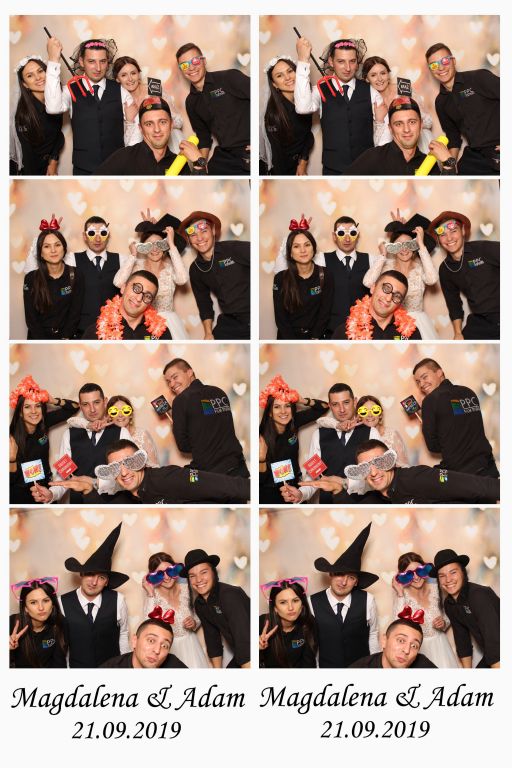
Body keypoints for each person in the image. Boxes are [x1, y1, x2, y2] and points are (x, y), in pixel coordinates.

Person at [24, 214, 132, 337]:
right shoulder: (72, 259)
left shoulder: (123, 260)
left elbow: (138, 283)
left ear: (108, 235)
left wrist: (147, 237)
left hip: (112, 330)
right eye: (92, 233)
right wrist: (48, 234)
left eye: (102, 233)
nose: (97, 239)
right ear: (84, 236)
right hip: (81, 332)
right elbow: (36, 267)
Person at [50, 439, 250, 504]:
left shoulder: (168, 478)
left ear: (142, 461)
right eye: (116, 467)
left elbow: (220, 485)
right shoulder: (127, 497)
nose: (124, 472)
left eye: (130, 462)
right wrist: (88, 489)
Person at [273, 215, 378, 337]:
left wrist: (395, 239)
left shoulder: (372, 260)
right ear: (334, 236)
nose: (347, 238)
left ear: (357, 235)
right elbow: (284, 268)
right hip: (330, 333)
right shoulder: (322, 259)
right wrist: (298, 233)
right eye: (341, 233)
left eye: (352, 233)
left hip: (361, 331)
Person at [305, 438, 500, 504]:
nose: (373, 473)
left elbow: (472, 485)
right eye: (366, 468)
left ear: (391, 461)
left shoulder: (416, 477)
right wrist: (337, 490)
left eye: (380, 462)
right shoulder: (378, 497)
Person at [44, 37, 129, 175]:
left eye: (103, 61)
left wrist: (129, 159)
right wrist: (53, 60)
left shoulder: (120, 90)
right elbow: (52, 108)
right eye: (91, 61)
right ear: (81, 62)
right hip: (83, 170)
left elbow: (134, 127)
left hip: (117, 169)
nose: (98, 68)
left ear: (108, 62)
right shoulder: (70, 89)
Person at [36, 382, 131, 504]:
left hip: (112, 505)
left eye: (96, 402)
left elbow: (130, 475)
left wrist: (94, 483)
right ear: (80, 406)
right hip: (79, 505)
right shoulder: (69, 435)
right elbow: (64, 475)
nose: (92, 409)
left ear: (105, 402)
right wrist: (52, 494)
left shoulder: (122, 432)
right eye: (86, 404)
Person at [285, 382, 379, 505]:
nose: (342, 409)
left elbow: (378, 475)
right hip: (329, 505)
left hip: (363, 505)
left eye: (346, 402)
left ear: (355, 402)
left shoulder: (371, 432)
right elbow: (314, 476)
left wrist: (344, 483)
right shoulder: (318, 435)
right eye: (335, 404)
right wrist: (301, 494)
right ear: (330, 405)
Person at [294, 36, 373, 174]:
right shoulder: (320, 89)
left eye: (352, 61)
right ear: (331, 62)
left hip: (366, 169)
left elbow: (382, 131)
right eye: (341, 61)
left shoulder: (370, 90)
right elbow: (302, 108)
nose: (348, 68)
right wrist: (303, 61)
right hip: (333, 171)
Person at [413, 358, 499, 477]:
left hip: (459, 475)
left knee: (432, 479)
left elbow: (433, 447)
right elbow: (460, 422)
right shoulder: (468, 392)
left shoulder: (430, 401)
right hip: (488, 468)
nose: (421, 384)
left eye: (425, 377)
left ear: (439, 372)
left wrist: (426, 422)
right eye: (418, 382)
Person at [60, 524, 130, 668]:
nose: (94, 582)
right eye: (90, 574)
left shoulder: (118, 600)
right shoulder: (62, 602)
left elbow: (123, 634)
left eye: (101, 577)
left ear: (106, 582)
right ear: (81, 574)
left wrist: (125, 666)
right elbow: (62, 643)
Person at [163, 358, 249, 476]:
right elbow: (210, 424)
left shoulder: (180, 401)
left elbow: (184, 447)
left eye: (175, 377)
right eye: (168, 381)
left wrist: (175, 425)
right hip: (238, 468)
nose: (172, 384)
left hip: (210, 475)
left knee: (184, 479)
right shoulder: (218, 392)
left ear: (189, 372)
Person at [311, 524, 380, 668]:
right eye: (340, 574)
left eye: (351, 577)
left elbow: (373, 634)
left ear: (356, 582)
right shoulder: (312, 602)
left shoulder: (368, 600)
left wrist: (374, 666)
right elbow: (312, 642)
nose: (343, 582)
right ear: (331, 574)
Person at [425, 43, 500, 175]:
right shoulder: (441, 102)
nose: (441, 67)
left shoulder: (478, 78)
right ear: (431, 69)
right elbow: (453, 137)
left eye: (445, 60)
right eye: (434, 65)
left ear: (453, 61)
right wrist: (450, 167)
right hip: (475, 155)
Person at [176, 42, 250, 175]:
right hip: (225, 155)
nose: (191, 67)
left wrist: (259, 143)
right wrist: (201, 166)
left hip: (250, 149)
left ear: (204, 61)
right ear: (181, 70)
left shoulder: (229, 77)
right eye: (185, 65)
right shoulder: (191, 102)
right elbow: (203, 137)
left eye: (195, 61)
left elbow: (261, 102)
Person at [363, 213, 438, 339]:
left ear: (414, 246)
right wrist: (383, 255)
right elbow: (367, 282)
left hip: (417, 323)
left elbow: (432, 279)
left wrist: (421, 244)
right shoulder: (386, 266)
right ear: (392, 247)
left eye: (409, 244)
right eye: (398, 245)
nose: (404, 249)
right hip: (391, 322)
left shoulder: (420, 268)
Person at [113, 213, 189, 339]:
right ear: (143, 247)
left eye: (159, 244)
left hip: (168, 323)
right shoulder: (136, 266)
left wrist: (171, 244)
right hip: (142, 323)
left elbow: (183, 279)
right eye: (149, 245)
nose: (155, 249)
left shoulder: (171, 269)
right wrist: (133, 255)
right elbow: (118, 282)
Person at [178, 211, 250, 339]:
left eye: (204, 231)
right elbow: (204, 304)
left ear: (213, 231)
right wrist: (208, 333)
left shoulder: (234, 249)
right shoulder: (195, 269)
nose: (199, 238)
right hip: (229, 323)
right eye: (193, 235)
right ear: (189, 240)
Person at [428, 211, 499, 340]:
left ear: (463, 231)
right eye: (443, 234)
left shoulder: (483, 249)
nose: (449, 238)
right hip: (480, 322)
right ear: (438, 239)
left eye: (453, 231)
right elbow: (453, 304)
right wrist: (458, 333)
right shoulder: (445, 269)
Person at [9, 376, 79, 504]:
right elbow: (9, 480)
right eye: (27, 407)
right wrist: (11, 459)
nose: (34, 411)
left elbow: (74, 407)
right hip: (21, 495)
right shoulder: (10, 437)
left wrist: (53, 400)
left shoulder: (43, 422)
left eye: (37, 406)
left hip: (46, 490)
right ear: (20, 412)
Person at [259, 375, 328, 504]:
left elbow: (324, 407)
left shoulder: (294, 421)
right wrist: (261, 459)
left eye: (287, 406)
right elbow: (260, 479)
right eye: (277, 407)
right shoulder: (260, 435)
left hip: (295, 487)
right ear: (269, 412)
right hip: (270, 492)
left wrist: (301, 400)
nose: (283, 411)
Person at [346, 96, 457, 175]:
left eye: (412, 122)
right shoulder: (374, 157)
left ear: (421, 125)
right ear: (390, 128)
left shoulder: (428, 162)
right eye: (398, 124)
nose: (406, 129)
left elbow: (443, 194)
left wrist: (449, 162)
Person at [97, 96, 206, 175]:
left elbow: (194, 195)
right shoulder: (124, 157)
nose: (157, 129)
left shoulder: (179, 162)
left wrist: (199, 162)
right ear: (140, 128)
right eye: (149, 124)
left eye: (162, 122)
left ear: (171, 125)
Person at [183, 549, 250, 668]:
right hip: (241, 654)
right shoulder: (199, 604)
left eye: (203, 572)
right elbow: (212, 641)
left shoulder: (230, 596)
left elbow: (244, 640)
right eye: (192, 576)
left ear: (213, 572)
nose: (198, 580)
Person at [432, 549, 499, 668]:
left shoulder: (479, 595)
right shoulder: (449, 604)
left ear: (463, 572)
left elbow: (494, 640)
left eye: (453, 572)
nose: (448, 579)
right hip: (491, 653)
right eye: (442, 576)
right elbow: (462, 641)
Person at [392, 552, 458, 667]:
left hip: (442, 647)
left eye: (419, 571)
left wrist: (443, 622)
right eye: (410, 574)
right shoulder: (403, 597)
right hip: (419, 651)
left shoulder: (436, 588)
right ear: (403, 576)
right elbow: (397, 626)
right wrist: (400, 593)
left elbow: (448, 615)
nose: (416, 577)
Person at [141, 552, 208, 668]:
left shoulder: (187, 589)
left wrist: (194, 622)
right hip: (169, 650)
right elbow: (147, 626)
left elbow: (199, 614)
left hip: (192, 646)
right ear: (153, 576)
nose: (167, 578)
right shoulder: (153, 597)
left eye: (170, 571)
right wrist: (150, 593)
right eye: (160, 574)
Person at [272, 218, 334, 339]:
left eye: (307, 245)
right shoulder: (280, 278)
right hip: (287, 339)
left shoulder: (325, 275)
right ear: (290, 252)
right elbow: (280, 318)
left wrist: (314, 337)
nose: (303, 250)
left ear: (313, 248)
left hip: (316, 338)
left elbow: (325, 313)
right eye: (296, 246)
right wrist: (293, 343)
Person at [23, 220, 84, 339]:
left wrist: (64, 339)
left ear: (64, 248)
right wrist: (43, 343)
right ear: (40, 253)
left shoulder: (76, 275)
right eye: (47, 246)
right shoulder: (31, 278)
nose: (53, 250)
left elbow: (75, 314)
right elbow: (31, 318)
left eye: (57, 245)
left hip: (67, 338)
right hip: (38, 339)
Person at [112, 55, 184, 152]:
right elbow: (124, 141)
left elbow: (179, 122)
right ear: (117, 79)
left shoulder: (153, 88)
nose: (130, 79)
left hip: (167, 144)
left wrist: (161, 109)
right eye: (124, 75)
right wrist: (129, 121)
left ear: (139, 74)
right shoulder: (117, 101)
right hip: (140, 151)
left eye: (133, 73)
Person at [362, 55, 433, 154]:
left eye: (383, 73)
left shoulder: (402, 87)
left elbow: (428, 122)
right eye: (373, 75)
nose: (379, 79)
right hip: (390, 152)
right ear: (366, 79)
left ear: (388, 74)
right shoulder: (367, 100)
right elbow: (375, 142)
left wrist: (411, 108)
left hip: (418, 145)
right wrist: (379, 121)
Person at [67, 394, 159, 467]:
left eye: (125, 410)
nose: (120, 415)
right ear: (109, 416)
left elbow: (155, 466)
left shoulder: (142, 434)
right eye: (114, 412)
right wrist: (89, 425)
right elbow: (71, 421)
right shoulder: (107, 435)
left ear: (131, 414)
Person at [317, 394, 409, 466]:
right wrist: (338, 425)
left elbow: (404, 465)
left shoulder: (391, 434)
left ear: (380, 414)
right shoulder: (356, 435)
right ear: (359, 416)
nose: (370, 415)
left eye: (375, 410)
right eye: (364, 412)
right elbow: (321, 421)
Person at [10, 55, 64, 175]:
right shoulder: (23, 116)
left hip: (48, 167)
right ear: (25, 84)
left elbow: (58, 135)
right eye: (30, 75)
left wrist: (53, 161)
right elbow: (28, 157)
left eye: (40, 71)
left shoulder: (56, 101)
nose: (38, 77)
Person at [81, 270, 172, 340]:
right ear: (123, 288)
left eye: (147, 296)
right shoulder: (96, 331)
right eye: (136, 288)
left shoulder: (161, 332)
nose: (139, 298)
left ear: (151, 302)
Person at [261, 56, 313, 175]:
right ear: (274, 84)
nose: (288, 77)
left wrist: (303, 162)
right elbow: (277, 157)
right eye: (279, 75)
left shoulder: (305, 101)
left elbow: (308, 135)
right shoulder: (273, 114)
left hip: (298, 166)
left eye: (290, 71)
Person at [332, 270, 421, 340]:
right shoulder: (345, 331)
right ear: (373, 288)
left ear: (400, 303)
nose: (388, 298)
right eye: (386, 288)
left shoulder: (411, 333)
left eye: (397, 296)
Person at [9, 577, 68, 668]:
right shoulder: (11, 623)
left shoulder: (60, 623)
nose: (41, 608)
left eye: (46, 601)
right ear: (25, 608)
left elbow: (59, 663)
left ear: (52, 604)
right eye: (33, 602)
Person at [259, 578, 317, 668]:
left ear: (302, 604)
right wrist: (257, 649)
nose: (291, 608)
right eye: (283, 602)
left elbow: (308, 663)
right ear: (275, 608)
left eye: (295, 601)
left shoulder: (308, 622)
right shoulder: (261, 623)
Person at [349, 611, 436, 668]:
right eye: (401, 640)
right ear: (384, 641)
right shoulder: (358, 670)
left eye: (414, 646)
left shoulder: (423, 665)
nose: (406, 650)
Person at [101, 616, 187, 669]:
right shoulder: (109, 670)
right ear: (135, 641)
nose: (157, 650)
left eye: (164, 646)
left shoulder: (175, 666)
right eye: (151, 640)